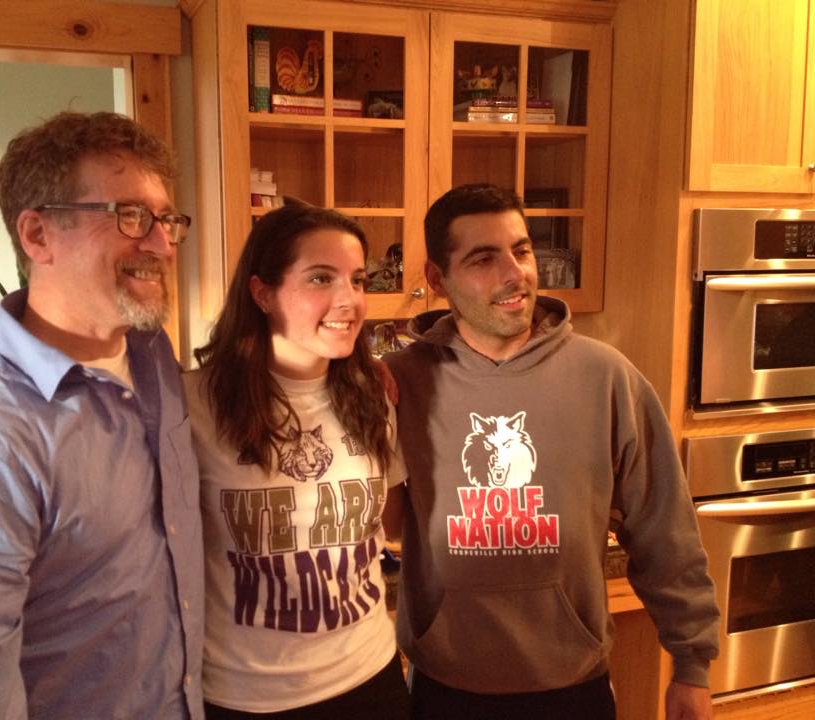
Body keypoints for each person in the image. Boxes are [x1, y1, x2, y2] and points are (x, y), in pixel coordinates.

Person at [0, 112, 203, 719]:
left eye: (165, 220)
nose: (160, 243)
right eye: (130, 215)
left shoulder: (153, 359)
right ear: (37, 235)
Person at [383, 184, 720, 720]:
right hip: (443, 686)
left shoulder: (605, 377)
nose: (514, 273)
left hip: (573, 686)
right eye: (483, 259)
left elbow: (665, 528)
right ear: (437, 279)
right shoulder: (399, 384)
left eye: (521, 250)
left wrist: (691, 664)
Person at [184, 201, 410, 719]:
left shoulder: (373, 396)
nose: (349, 300)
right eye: (321, 278)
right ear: (262, 292)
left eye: (358, 280)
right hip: (245, 695)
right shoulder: (192, 405)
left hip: (370, 678)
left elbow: (391, 523)